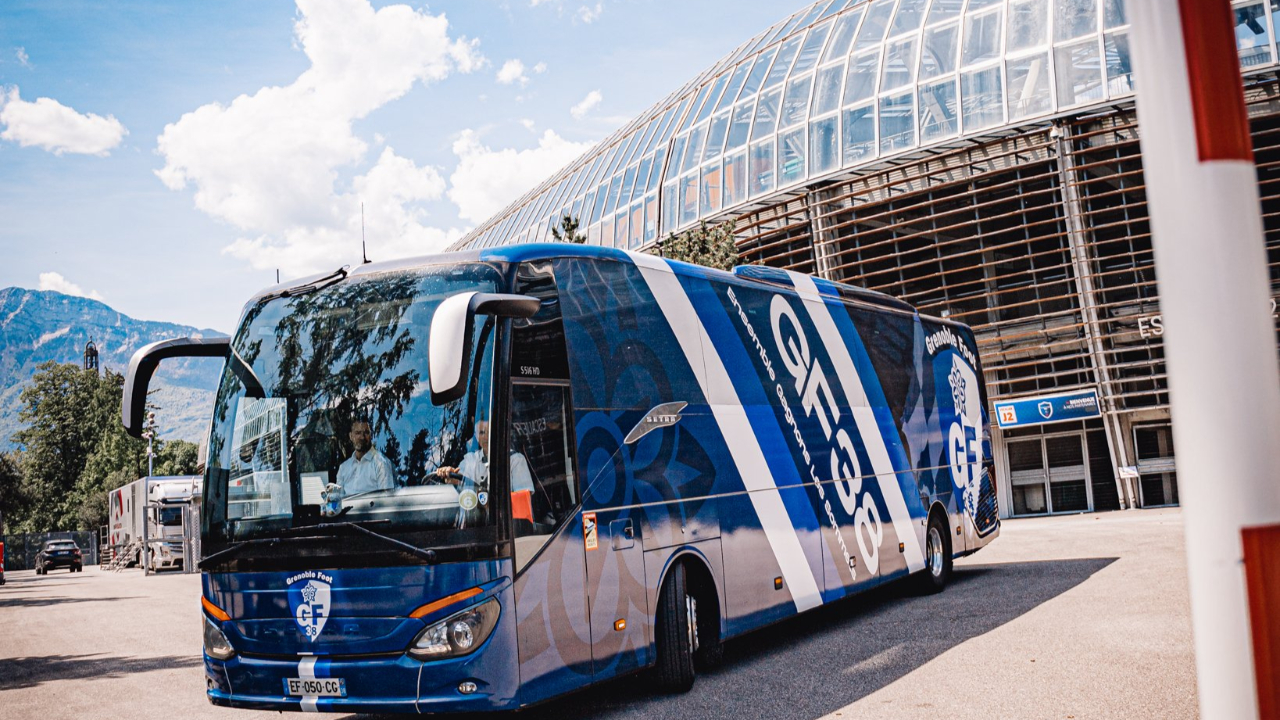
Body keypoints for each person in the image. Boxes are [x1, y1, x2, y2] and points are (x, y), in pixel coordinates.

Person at [433, 420, 532, 493]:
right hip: (474, 520)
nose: (486, 436)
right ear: (476, 436)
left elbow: (522, 504)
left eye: (490, 431)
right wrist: (452, 479)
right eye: (482, 432)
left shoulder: (516, 460)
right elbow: (460, 484)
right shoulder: (469, 461)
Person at [336, 418, 396, 495]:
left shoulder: (381, 463)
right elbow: (338, 500)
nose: (362, 437)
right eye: (358, 433)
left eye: (366, 433)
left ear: (371, 436)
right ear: (350, 436)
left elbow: (386, 500)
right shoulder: (343, 468)